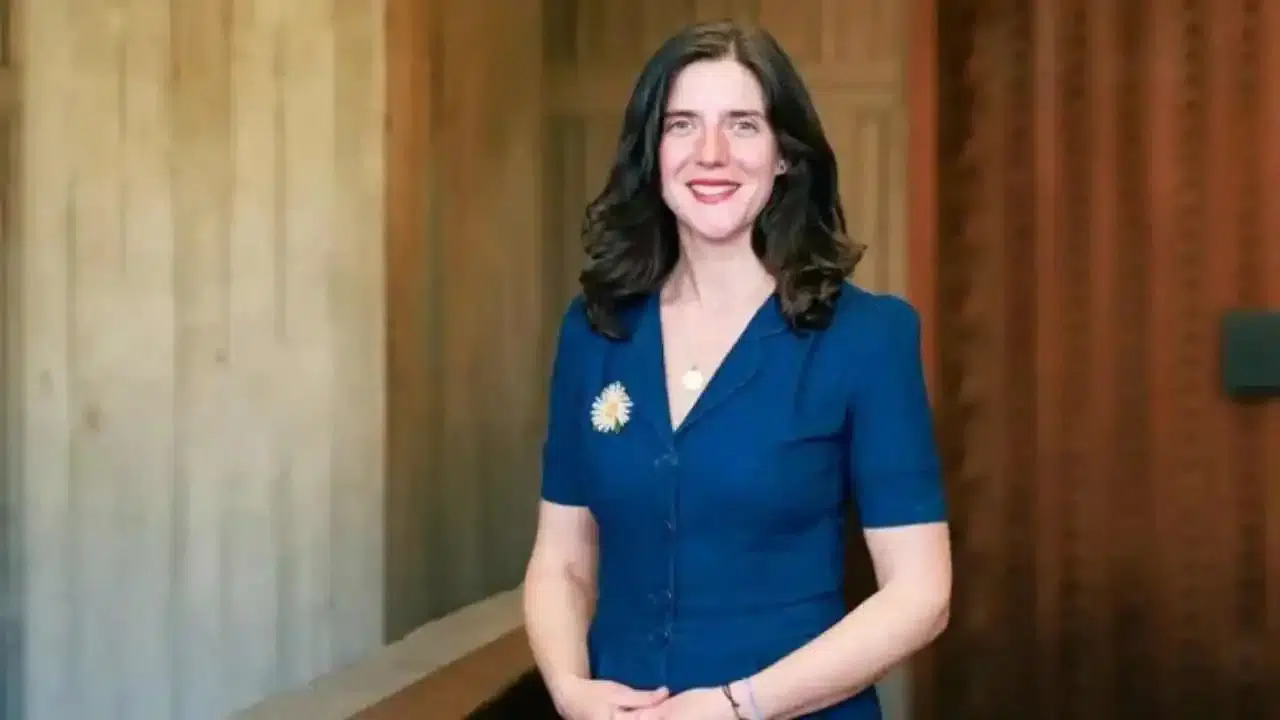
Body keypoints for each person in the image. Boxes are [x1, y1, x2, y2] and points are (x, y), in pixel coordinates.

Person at [522, 20, 951, 720]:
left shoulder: (867, 337)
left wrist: (736, 705)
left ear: (784, 155)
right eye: (682, 125)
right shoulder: (596, 330)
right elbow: (562, 560)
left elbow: (921, 595)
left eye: (743, 125)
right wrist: (571, 690)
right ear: (653, 152)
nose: (711, 154)